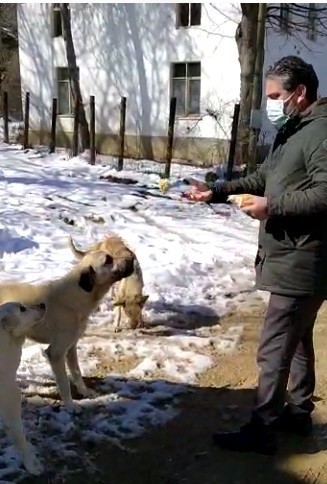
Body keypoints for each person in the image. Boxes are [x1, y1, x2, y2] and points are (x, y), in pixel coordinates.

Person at [184, 56, 327, 455]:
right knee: (296, 342)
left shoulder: (321, 132)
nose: (271, 105)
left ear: (300, 93)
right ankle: (297, 412)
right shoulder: (294, 129)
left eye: (276, 96)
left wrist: (272, 207)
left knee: (274, 347)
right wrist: (215, 190)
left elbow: (324, 194)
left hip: (303, 259)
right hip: (291, 255)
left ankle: (262, 429)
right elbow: (263, 178)